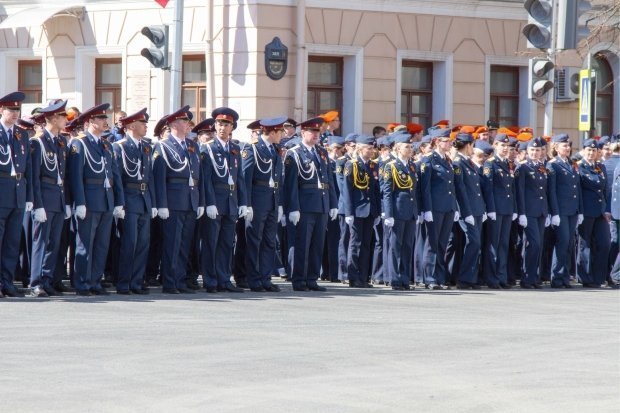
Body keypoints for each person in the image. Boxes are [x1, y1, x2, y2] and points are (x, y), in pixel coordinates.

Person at [68, 103, 124, 296]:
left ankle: (94, 281)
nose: (105, 122)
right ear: (91, 121)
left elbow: (114, 175)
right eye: (101, 119)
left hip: (106, 199)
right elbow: (75, 176)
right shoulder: (79, 143)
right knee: (85, 244)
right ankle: (82, 282)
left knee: (101, 244)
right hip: (89, 200)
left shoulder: (106, 144)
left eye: (105, 119)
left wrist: (119, 202)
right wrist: (79, 202)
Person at [153, 105, 204, 294]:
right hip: (173, 201)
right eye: (184, 121)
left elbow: (200, 178)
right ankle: (169, 281)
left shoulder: (192, 146)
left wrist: (201, 202)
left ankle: (180, 280)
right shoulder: (163, 146)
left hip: (191, 200)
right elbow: (159, 178)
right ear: (174, 124)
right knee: (172, 244)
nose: (188, 124)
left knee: (185, 244)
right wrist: (162, 204)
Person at [283, 117, 338, 291]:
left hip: (321, 204)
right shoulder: (294, 153)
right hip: (304, 206)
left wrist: (333, 203)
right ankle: (299, 279)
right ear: (303, 133)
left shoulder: (321, 152)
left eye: (318, 132)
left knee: (317, 244)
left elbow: (328, 179)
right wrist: (293, 207)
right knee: (301, 244)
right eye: (312, 131)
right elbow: (291, 184)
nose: (316, 135)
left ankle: (312, 278)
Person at [29, 99, 72, 297]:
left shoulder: (60, 141)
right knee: (40, 242)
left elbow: (63, 175)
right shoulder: (37, 141)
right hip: (45, 198)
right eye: (63, 116)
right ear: (53, 118)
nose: (66, 119)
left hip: (58, 197)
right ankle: (35, 282)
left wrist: (67, 203)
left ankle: (47, 279)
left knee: (54, 243)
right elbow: (35, 177)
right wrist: (37, 204)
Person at [201, 107, 247, 293]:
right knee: (211, 242)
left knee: (227, 243)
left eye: (226, 124)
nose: (222, 127)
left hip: (231, 201)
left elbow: (240, 178)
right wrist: (210, 202)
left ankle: (224, 279)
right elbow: (206, 179)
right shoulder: (208, 149)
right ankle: (210, 280)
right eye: (219, 124)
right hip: (216, 201)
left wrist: (243, 202)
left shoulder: (235, 149)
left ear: (232, 127)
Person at [112, 108, 156, 295]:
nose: (146, 126)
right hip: (129, 199)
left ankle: (136, 282)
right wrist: (120, 203)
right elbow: (118, 178)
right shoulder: (119, 147)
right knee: (129, 243)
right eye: (142, 123)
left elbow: (150, 178)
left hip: (144, 199)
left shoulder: (145, 146)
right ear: (131, 125)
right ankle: (124, 282)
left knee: (143, 243)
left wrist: (153, 203)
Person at [241, 116, 286, 292]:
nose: (282, 134)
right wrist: (247, 203)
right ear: (273, 132)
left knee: (269, 242)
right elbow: (246, 178)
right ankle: (254, 279)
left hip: (272, 201)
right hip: (257, 201)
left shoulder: (275, 150)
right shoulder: (252, 149)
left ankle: (265, 278)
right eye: (280, 131)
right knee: (255, 241)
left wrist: (280, 204)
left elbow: (277, 180)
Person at [0, 92, 33, 298]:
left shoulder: (21, 135)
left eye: (17, 110)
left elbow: (28, 168)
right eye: (11, 110)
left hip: (18, 191)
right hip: (2, 190)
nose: (15, 113)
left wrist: (29, 197)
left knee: (12, 243)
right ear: (1, 111)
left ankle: (7, 281)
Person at [419, 128, 458, 290]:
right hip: (434, 208)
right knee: (432, 243)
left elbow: (451, 186)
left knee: (442, 243)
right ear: (436, 142)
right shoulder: (428, 160)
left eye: (449, 141)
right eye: (446, 141)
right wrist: (426, 209)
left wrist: (454, 207)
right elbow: (425, 187)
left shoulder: (447, 160)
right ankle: (429, 277)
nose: (449, 143)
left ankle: (440, 277)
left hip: (447, 207)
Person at [342, 135, 381, 288]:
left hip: (370, 210)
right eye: (369, 148)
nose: (372, 151)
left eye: (373, 148)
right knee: (355, 244)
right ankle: (353, 276)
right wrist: (348, 212)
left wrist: (377, 211)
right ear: (360, 148)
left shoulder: (372, 166)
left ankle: (364, 277)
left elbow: (375, 191)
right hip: (357, 210)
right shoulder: (351, 165)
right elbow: (347, 191)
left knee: (366, 244)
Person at [381, 133, 418, 290]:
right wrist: (388, 214)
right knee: (396, 246)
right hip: (397, 211)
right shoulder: (391, 166)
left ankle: (404, 278)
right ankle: (394, 278)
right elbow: (387, 192)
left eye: (411, 147)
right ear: (397, 148)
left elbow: (414, 191)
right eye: (406, 147)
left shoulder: (411, 166)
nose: (410, 149)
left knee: (407, 246)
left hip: (410, 211)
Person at [546, 134, 582, 288]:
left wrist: (580, 210)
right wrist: (554, 213)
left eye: (568, 145)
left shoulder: (572, 164)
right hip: (560, 211)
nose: (567, 148)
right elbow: (552, 191)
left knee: (569, 243)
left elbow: (577, 188)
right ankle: (557, 276)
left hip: (572, 210)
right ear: (556, 147)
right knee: (562, 242)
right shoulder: (552, 165)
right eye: (564, 146)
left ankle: (565, 276)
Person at [481, 134, 516, 289]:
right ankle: (492, 277)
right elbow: (488, 189)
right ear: (495, 145)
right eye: (502, 146)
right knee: (493, 244)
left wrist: (514, 208)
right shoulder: (490, 164)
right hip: (496, 209)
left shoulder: (507, 164)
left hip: (507, 209)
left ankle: (501, 276)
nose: (505, 149)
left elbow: (511, 189)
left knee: (503, 244)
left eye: (507, 146)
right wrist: (491, 209)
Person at [452, 132, 486, 289]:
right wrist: (467, 213)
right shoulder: (458, 163)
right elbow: (461, 190)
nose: (473, 148)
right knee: (473, 242)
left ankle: (470, 278)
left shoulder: (468, 162)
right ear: (467, 145)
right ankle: (464, 278)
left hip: (477, 209)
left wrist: (482, 209)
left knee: (475, 244)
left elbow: (476, 189)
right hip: (468, 211)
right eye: (472, 145)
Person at [516, 137, 549, 289]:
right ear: (527, 152)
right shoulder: (523, 168)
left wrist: (547, 211)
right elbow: (520, 191)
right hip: (528, 211)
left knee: (539, 245)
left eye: (537, 150)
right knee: (532, 244)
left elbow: (544, 191)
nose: (535, 153)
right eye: (532, 150)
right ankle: (526, 277)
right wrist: (521, 212)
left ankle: (534, 276)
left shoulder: (541, 167)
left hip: (541, 211)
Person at [577, 139, 611, 288]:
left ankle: (599, 276)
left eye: (594, 151)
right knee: (585, 244)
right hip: (586, 211)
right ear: (583, 151)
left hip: (600, 211)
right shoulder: (579, 167)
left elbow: (605, 190)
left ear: (598, 152)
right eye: (588, 150)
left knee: (604, 243)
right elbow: (577, 191)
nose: (591, 153)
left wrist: (606, 209)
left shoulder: (600, 167)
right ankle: (585, 276)